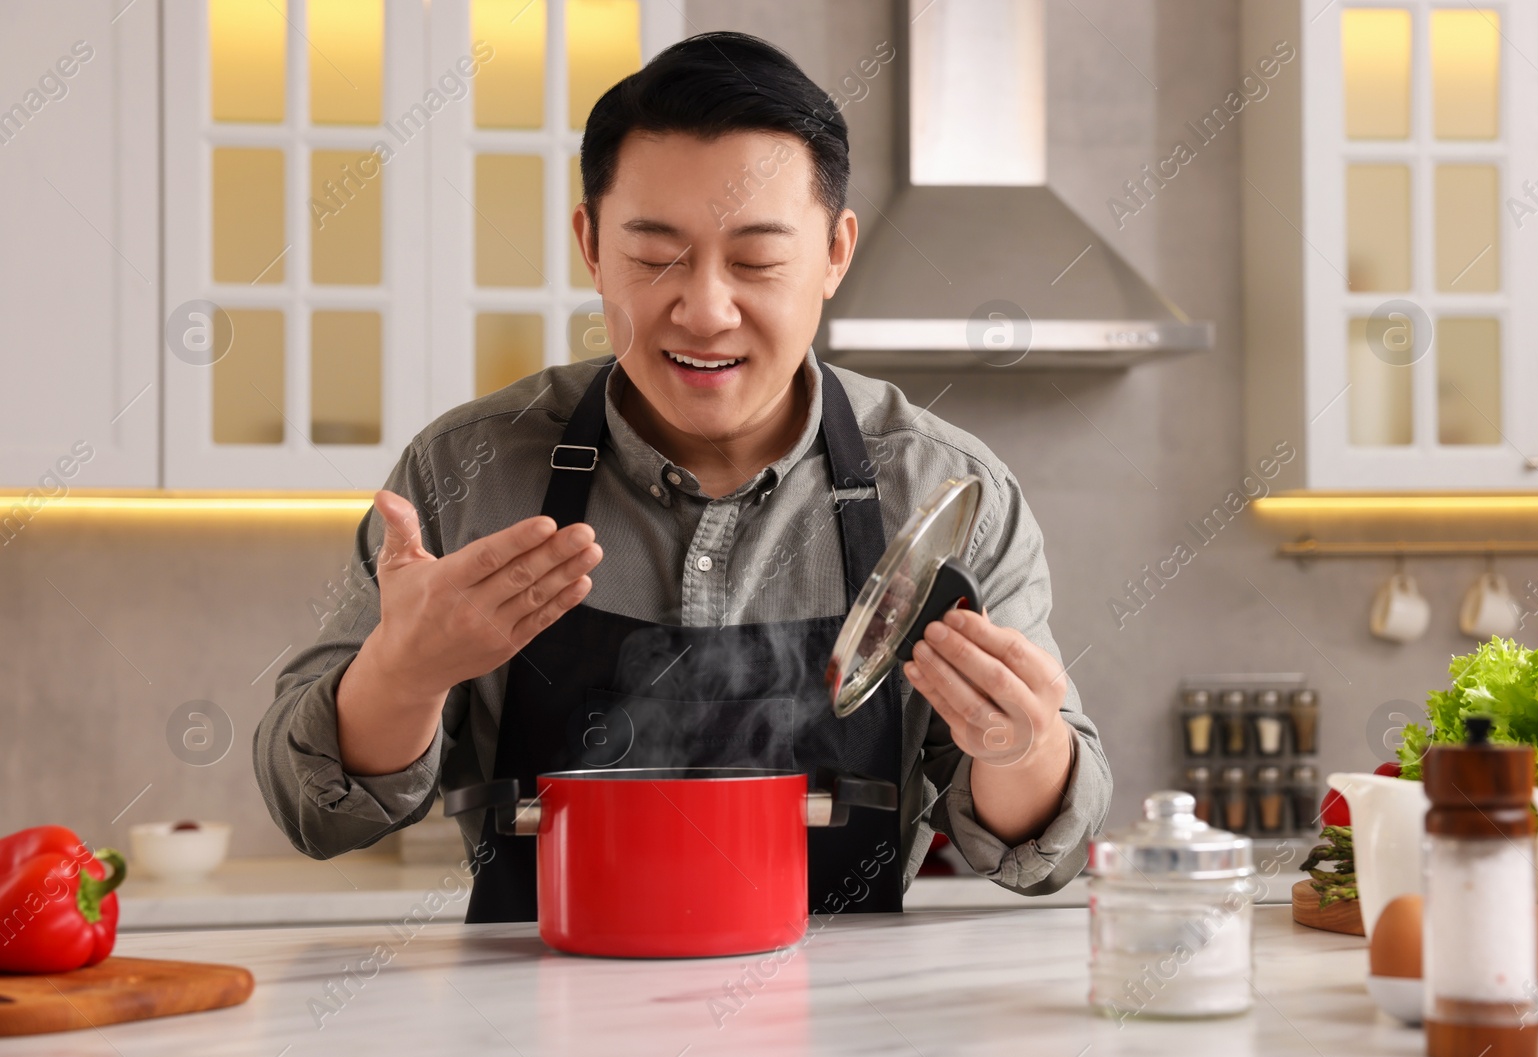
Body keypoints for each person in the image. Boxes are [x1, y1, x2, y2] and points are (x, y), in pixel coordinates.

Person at [254, 31, 1111, 920]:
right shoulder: (465, 473)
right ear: (590, 243)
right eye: (656, 254)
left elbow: (1041, 859)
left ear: (834, 254)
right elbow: (312, 812)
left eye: (757, 260)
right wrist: (402, 675)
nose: (704, 308)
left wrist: (1019, 746)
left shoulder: (948, 495)